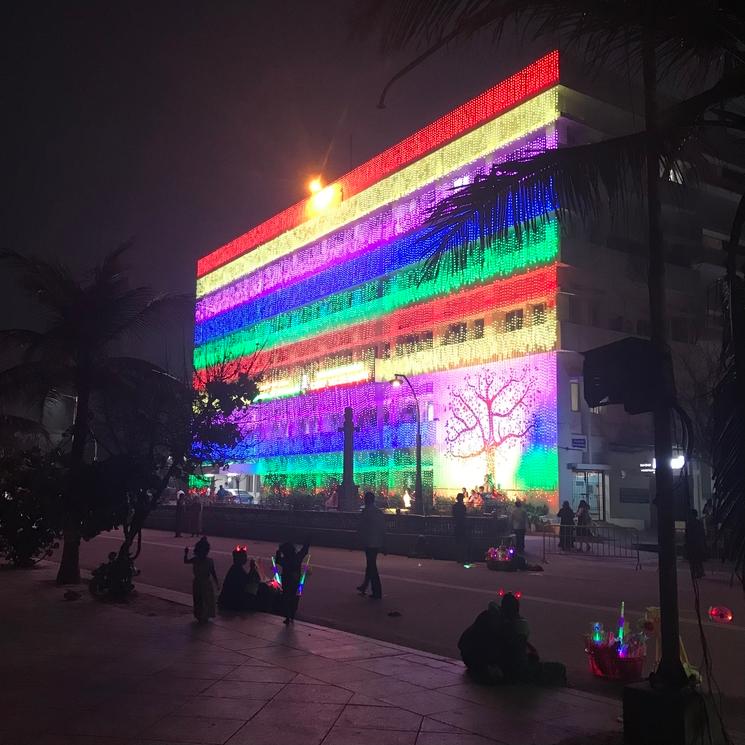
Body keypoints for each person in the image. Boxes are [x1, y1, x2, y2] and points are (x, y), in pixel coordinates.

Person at [458, 593, 566, 686]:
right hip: (491, 668)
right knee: (559, 668)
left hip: (470, 661)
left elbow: (462, 642)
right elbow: (517, 663)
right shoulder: (507, 628)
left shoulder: (486, 616)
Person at [356, 491, 385, 599]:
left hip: (369, 542)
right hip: (377, 542)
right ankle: (365, 586)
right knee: (370, 565)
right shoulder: (378, 512)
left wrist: (358, 538)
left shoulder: (366, 512)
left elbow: (361, 527)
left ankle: (377, 591)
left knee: (372, 566)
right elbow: (383, 529)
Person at [184, 537, 219, 623]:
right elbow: (213, 573)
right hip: (206, 583)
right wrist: (217, 583)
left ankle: (200, 615)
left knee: (199, 599)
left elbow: (186, 561)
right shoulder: (210, 561)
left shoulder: (195, 559)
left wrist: (186, 553)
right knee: (206, 600)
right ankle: (205, 615)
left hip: (198, 582)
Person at [275, 540, 310, 624]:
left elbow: (278, 560)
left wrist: (278, 551)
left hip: (286, 580)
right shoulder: (297, 558)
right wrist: (307, 542)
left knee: (286, 597)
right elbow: (304, 551)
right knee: (293, 596)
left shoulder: (285, 560)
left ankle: (287, 616)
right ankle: (292, 615)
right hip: (295, 580)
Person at [218, 546, 260, 611]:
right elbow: (247, 581)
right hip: (231, 600)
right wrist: (252, 569)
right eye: (244, 557)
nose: (246, 559)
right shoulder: (237, 569)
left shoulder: (236, 568)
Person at [685, 508, 707, 579]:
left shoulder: (689, 524)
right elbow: (702, 533)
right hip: (698, 543)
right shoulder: (699, 523)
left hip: (693, 543)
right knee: (698, 559)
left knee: (693, 560)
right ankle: (699, 571)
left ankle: (695, 572)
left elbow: (687, 535)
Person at [452, 492, 469, 564]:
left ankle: (458, 558)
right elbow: (465, 515)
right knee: (463, 543)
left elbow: (453, 515)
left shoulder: (454, 506)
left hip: (456, 525)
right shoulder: (463, 506)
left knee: (457, 542)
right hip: (462, 525)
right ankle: (462, 558)